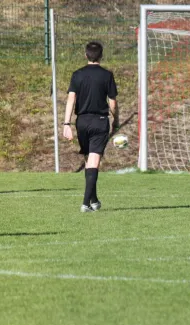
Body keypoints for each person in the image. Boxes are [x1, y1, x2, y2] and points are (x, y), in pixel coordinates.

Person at [63, 41, 119, 212]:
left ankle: (94, 200)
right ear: (101, 56)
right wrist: (115, 121)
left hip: (82, 121)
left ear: (85, 54)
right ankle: (85, 203)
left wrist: (66, 124)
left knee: (89, 160)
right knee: (94, 160)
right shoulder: (107, 75)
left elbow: (71, 100)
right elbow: (113, 102)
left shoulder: (77, 75)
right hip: (100, 120)